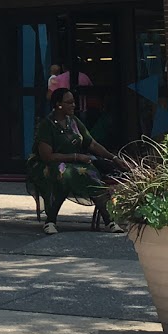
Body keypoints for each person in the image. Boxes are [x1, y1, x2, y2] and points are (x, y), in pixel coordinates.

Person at [28, 87, 120, 234]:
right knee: (63, 173)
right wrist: (76, 157)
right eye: (69, 102)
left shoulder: (75, 122)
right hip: (49, 164)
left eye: (73, 102)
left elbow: (92, 144)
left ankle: (109, 220)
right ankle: (50, 220)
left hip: (76, 164)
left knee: (90, 174)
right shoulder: (47, 125)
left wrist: (113, 158)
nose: (73, 105)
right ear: (58, 105)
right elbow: (47, 156)